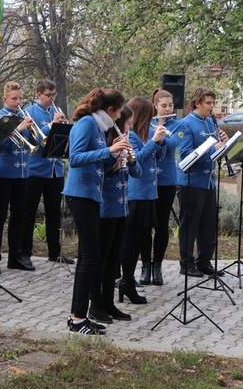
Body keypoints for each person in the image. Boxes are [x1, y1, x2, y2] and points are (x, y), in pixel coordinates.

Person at [64, 87, 132, 335]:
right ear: (110, 110)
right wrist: (109, 150)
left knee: (90, 256)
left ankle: (78, 316)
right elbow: (75, 158)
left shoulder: (100, 126)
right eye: (119, 112)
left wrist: (115, 160)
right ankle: (78, 318)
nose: (119, 118)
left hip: (91, 194)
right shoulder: (87, 124)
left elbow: (98, 163)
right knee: (89, 256)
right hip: (79, 194)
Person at [92, 106, 140, 324]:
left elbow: (137, 172)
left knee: (114, 258)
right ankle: (96, 305)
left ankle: (109, 303)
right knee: (101, 258)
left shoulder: (125, 141)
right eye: (128, 124)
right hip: (106, 208)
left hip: (122, 207)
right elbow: (99, 171)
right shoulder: (106, 141)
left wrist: (129, 159)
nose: (130, 128)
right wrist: (115, 162)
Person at [175, 88, 228, 278]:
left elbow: (215, 151)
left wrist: (224, 144)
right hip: (191, 182)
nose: (212, 107)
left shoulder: (210, 123)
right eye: (208, 103)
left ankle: (204, 261)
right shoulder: (185, 124)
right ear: (197, 103)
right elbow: (186, 154)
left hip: (208, 182)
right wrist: (211, 148)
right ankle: (186, 263)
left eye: (213, 103)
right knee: (190, 225)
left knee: (208, 225)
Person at [119, 97, 166, 303]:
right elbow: (136, 159)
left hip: (149, 193)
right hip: (137, 194)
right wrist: (154, 142)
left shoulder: (143, 134)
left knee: (138, 239)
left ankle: (127, 281)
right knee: (131, 242)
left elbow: (159, 157)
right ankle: (126, 281)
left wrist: (160, 142)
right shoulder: (132, 136)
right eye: (150, 115)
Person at [23, 79, 73, 265]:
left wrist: (65, 128)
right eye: (48, 95)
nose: (52, 99)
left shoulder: (56, 111)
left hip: (55, 169)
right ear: (38, 95)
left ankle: (55, 252)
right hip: (36, 169)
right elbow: (32, 140)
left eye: (54, 95)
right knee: (29, 213)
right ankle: (25, 253)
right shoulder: (29, 112)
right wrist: (51, 125)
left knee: (54, 214)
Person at [0, 81, 35, 274]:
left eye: (20, 98)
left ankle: (15, 257)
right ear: (4, 99)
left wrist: (32, 131)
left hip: (23, 172)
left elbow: (33, 142)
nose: (18, 102)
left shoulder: (25, 116)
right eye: (14, 99)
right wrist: (19, 129)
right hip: (3, 172)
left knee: (20, 215)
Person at [141, 89, 181, 286]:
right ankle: (145, 266)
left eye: (170, 105)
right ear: (155, 105)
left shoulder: (177, 124)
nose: (167, 109)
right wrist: (154, 133)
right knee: (145, 224)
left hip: (166, 181)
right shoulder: (145, 123)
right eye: (163, 105)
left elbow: (172, 145)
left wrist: (162, 133)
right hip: (148, 180)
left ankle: (157, 266)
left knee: (162, 225)